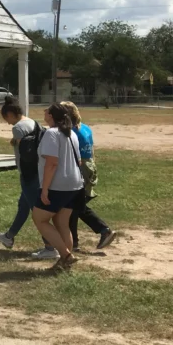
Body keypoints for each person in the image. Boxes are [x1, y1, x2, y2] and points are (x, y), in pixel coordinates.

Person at [0, 97, 57, 259]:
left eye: (6, 118)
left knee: (38, 212)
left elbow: (25, 151)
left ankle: (50, 247)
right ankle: (9, 237)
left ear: (11, 114)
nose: (7, 122)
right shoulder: (32, 122)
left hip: (28, 174)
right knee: (23, 206)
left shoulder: (18, 128)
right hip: (37, 171)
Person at [61, 101, 117, 250]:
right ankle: (75, 242)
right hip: (90, 167)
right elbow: (91, 150)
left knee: (73, 206)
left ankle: (103, 230)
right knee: (74, 206)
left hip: (80, 168)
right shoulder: (85, 128)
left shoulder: (71, 131)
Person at [33, 102, 82, 271]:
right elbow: (79, 160)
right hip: (75, 184)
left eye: (47, 111)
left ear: (51, 117)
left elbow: (52, 163)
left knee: (39, 218)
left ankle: (66, 255)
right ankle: (64, 263)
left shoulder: (51, 134)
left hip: (58, 185)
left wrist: (45, 189)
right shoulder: (71, 134)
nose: (44, 112)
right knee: (62, 222)